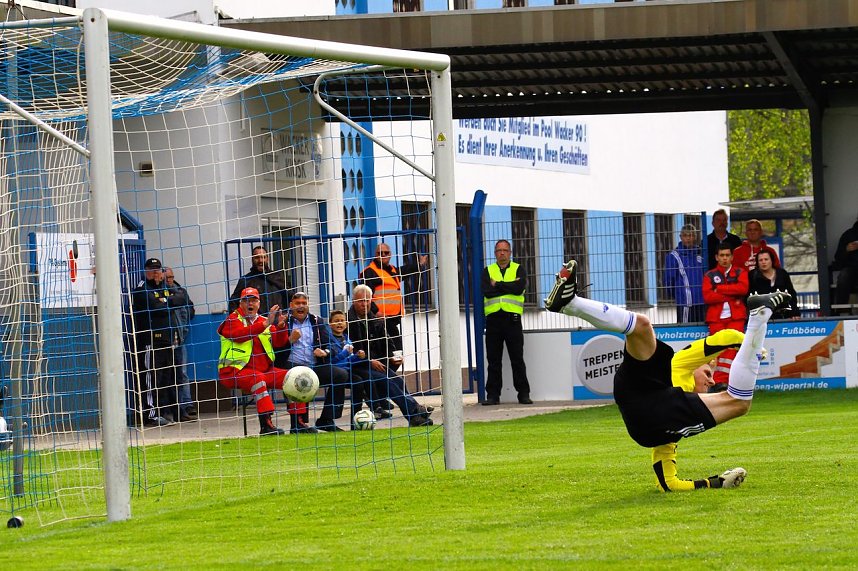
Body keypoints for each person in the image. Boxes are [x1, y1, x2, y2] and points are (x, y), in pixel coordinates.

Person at [545, 258, 793, 491]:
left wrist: (714, 483)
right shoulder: (684, 363)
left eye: (711, 379)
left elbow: (669, 483)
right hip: (641, 396)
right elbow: (725, 337)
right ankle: (569, 302)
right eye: (708, 372)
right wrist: (751, 346)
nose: (710, 380)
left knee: (737, 403)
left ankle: (759, 316)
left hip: (644, 407)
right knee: (642, 326)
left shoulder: (676, 413)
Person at [328, 306, 432, 428]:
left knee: (397, 380)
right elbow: (337, 359)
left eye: (342, 321)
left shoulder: (357, 332)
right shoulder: (338, 333)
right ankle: (414, 413)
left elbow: (385, 343)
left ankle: (415, 412)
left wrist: (390, 356)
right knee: (386, 381)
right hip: (356, 368)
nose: (339, 323)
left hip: (365, 363)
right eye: (336, 321)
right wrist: (365, 359)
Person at [217, 287, 288, 436]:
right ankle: (266, 425)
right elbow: (239, 335)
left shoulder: (264, 321)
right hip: (233, 372)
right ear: (240, 303)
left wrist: (282, 327)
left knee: (294, 377)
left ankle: (299, 422)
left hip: (265, 370)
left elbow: (279, 342)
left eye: (253, 300)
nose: (250, 303)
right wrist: (265, 324)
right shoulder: (232, 319)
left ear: (259, 303)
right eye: (246, 300)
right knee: (258, 379)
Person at [281, 292, 350, 432]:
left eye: (304, 303)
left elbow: (332, 345)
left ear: (308, 305)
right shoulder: (284, 322)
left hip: (313, 366)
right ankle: (298, 423)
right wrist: (289, 341)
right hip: (291, 366)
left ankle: (326, 419)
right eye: (297, 303)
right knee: (299, 377)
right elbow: (275, 349)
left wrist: (325, 352)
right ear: (291, 305)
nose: (301, 306)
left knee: (340, 374)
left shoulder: (317, 321)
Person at [131, 257, 187, 427]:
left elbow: (182, 297)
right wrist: (168, 301)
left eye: (158, 270)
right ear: (146, 271)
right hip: (150, 341)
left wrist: (165, 301)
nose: (155, 273)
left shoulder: (165, 287)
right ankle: (151, 414)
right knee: (151, 377)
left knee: (167, 377)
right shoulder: (141, 289)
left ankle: (165, 411)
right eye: (152, 270)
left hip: (168, 340)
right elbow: (155, 308)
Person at [481, 239, 531, 405]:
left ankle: (523, 394)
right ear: (495, 253)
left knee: (517, 359)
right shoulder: (488, 270)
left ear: (510, 253)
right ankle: (493, 395)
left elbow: (519, 288)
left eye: (505, 250)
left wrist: (498, 284)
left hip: (512, 320)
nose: (502, 253)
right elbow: (487, 292)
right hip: (493, 320)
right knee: (493, 360)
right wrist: (509, 285)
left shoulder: (519, 269)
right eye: (499, 250)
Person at [359, 242, 428, 361]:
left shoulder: (392, 270)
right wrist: (375, 312)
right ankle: (385, 371)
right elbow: (365, 296)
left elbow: (405, 271)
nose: (383, 255)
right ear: (375, 255)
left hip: (391, 319)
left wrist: (419, 265)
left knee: (395, 354)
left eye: (386, 253)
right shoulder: (370, 272)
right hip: (379, 320)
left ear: (390, 254)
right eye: (380, 253)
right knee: (392, 353)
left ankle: (387, 371)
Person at [702, 243, 750, 386]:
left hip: (736, 317)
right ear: (716, 257)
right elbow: (708, 297)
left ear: (732, 257)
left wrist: (719, 289)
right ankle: (720, 382)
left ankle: (724, 381)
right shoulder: (709, 275)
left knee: (732, 349)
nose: (724, 258)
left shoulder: (740, 272)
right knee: (718, 349)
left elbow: (743, 289)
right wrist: (731, 294)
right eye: (722, 255)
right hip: (716, 319)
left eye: (727, 255)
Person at [165, 267, 198, 421]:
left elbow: (189, 311)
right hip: (165, 340)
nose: (169, 280)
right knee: (168, 375)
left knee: (182, 373)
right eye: (167, 278)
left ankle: (187, 404)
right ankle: (174, 408)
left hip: (179, 338)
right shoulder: (160, 294)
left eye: (171, 277)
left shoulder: (180, 292)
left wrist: (182, 330)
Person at [229, 245, 289, 317]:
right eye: (257, 257)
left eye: (263, 257)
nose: (260, 261)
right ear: (252, 259)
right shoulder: (246, 280)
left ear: (267, 259)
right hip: (255, 322)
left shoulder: (277, 277)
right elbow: (234, 303)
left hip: (277, 321)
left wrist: (285, 315)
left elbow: (289, 296)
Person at [663, 224, 706, 323]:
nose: (688, 238)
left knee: (702, 329)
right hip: (685, 303)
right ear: (681, 237)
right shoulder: (674, 256)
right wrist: (678, 296)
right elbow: (669, 280)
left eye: (691, 235)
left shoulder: (701, 254)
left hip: (702, 302)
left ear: (695, 237)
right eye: (686, 235)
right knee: (686, 329)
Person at [748, 250, 800, 319]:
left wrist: (794, 312)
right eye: (760, 260)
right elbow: (749, 297)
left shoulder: (782, 273)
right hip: (761, 315)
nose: (763, 262)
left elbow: (791, 294)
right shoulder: (753, 275)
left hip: (783, 314)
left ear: (771, 260)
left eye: (766, 259)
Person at [833, 214, 858, 309]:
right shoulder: (849, 235)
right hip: (852, 268)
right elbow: (838, 258)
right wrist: (847, 249)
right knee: (844, 275)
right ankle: (841, 309)